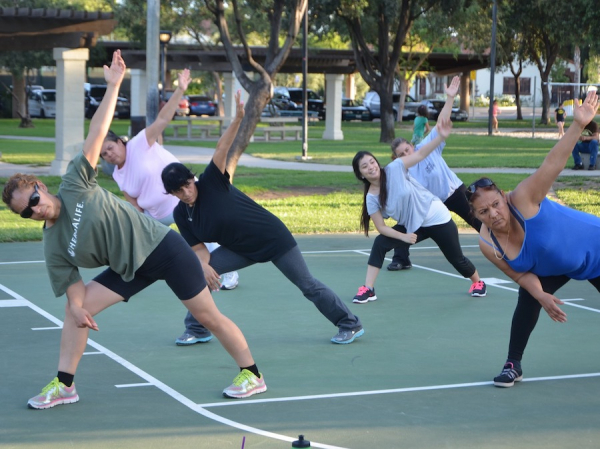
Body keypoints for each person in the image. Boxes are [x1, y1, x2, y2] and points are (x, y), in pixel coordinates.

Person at [2, 50, 267, 408]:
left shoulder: (75, 183)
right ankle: (65, 385)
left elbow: (97, 132)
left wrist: (113, 86)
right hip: (130, 269)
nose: (35, 209)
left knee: (208, 316)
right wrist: (79, 309)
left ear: (40, 187)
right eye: (26, 213)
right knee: (73, 312)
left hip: (163, 249)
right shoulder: (52, 242)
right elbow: (72, 285)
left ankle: (252, 373)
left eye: (33, 199)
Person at [161, 92, 364, 345]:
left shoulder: (212, 182)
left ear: (192, 179)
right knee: (199, 275)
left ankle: (349, 323)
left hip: (271, 238)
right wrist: (203, 265)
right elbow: (198, 248)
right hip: (240, 249)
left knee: (307, 285)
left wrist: (237, 119)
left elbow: (222, 147)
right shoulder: (182, 213)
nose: (186, 193)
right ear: (171, 193)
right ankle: (198, 329)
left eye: (187, 185)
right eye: (178, 191)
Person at [466, 90, 600, 388]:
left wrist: (577, 125)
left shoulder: (524, 198)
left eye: (496, 204)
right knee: (528, 298)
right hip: (556, 266)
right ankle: (513, 364)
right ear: (476, 216)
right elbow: (521, 274)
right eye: (484, 212)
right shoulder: (488, 244)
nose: (494, 214)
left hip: (595, 249)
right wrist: (542, 296)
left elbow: (553, 163)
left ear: (503, 196)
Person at [100, 69, 239, 346]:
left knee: (206, 248)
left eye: (110, 148)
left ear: (119, 142)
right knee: (159, 253)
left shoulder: (141, 142)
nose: (109, 155)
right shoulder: (117, 175)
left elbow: (163, 118)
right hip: (158, 218)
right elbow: (134, 205)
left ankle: (225, 270)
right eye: (103, 154)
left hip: (185, 204)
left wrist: (180, 89)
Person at [351, 117, 486, 305]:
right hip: (413, 225)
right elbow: (381, 227)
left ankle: (478, 282)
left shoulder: (395, 168)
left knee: (457, 259)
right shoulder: (371, 198)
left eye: (372, 162)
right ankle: (368, 289)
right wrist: (403, 238)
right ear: (360, 174)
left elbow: (421, 153)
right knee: (380, 243)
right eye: (365, 166)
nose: (371, 167)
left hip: (436, 217)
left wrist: (440, 137)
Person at [386, 76, 482, 273]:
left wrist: (449, 99)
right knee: (405, 225)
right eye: (401, 154)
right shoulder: (402, 170)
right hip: (431, 206)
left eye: (407, 149)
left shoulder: (427, 147)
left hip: (454, 192)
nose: (406, 154)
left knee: (479, 220)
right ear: (395, 158)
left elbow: (441, 123)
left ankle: (503, 248)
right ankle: (401, 259)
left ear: (412, 146)